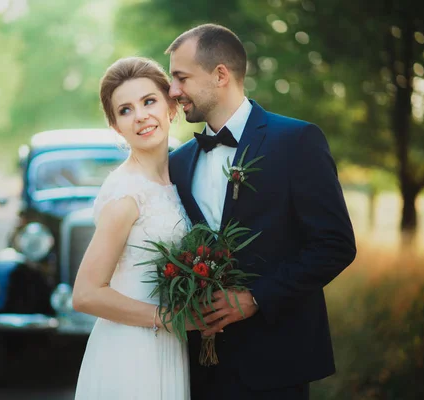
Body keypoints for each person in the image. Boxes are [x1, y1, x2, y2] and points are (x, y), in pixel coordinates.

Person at [166, 24, 357, 400]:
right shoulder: (177, 162)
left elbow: (335, 245)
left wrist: (257, 296)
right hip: (196, 369)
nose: (173, 91)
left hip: (276, 362)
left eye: (181, 77)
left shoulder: (297, 141)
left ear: (220, 74)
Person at [72, 57, 191, 400]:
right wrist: (169, 318)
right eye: (125, 110)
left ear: (171, 106)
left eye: (148, 101)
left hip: (169, 345)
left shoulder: (180, 176)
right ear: (116, 126)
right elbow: (86, 294)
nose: (140, 115)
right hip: (132, 352)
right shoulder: (126, 194)